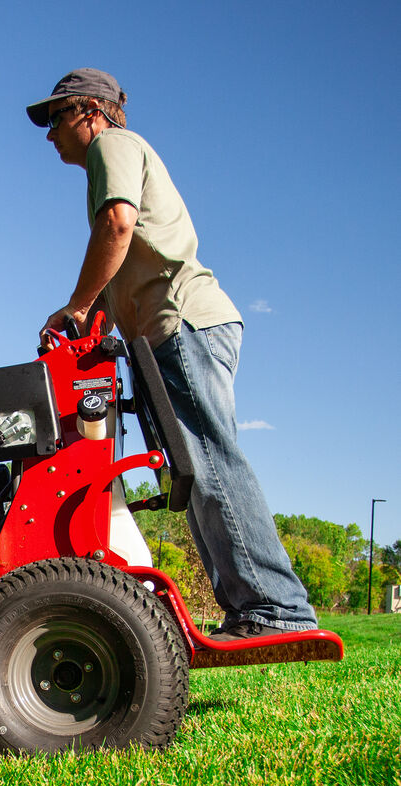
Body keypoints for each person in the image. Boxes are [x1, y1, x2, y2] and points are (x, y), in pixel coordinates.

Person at [27, 68, 318, 640]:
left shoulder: (113, 144)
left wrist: (76, 305)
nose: (49, 133)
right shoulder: (111, 157)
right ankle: (248, 608)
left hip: (183, 323)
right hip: (168, 333)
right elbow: (122, 272)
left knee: (209, 461)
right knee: (191, 474)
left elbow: (118, 224)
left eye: (56, 118)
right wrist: (89, 321)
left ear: (90, 109)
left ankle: (276, 609)